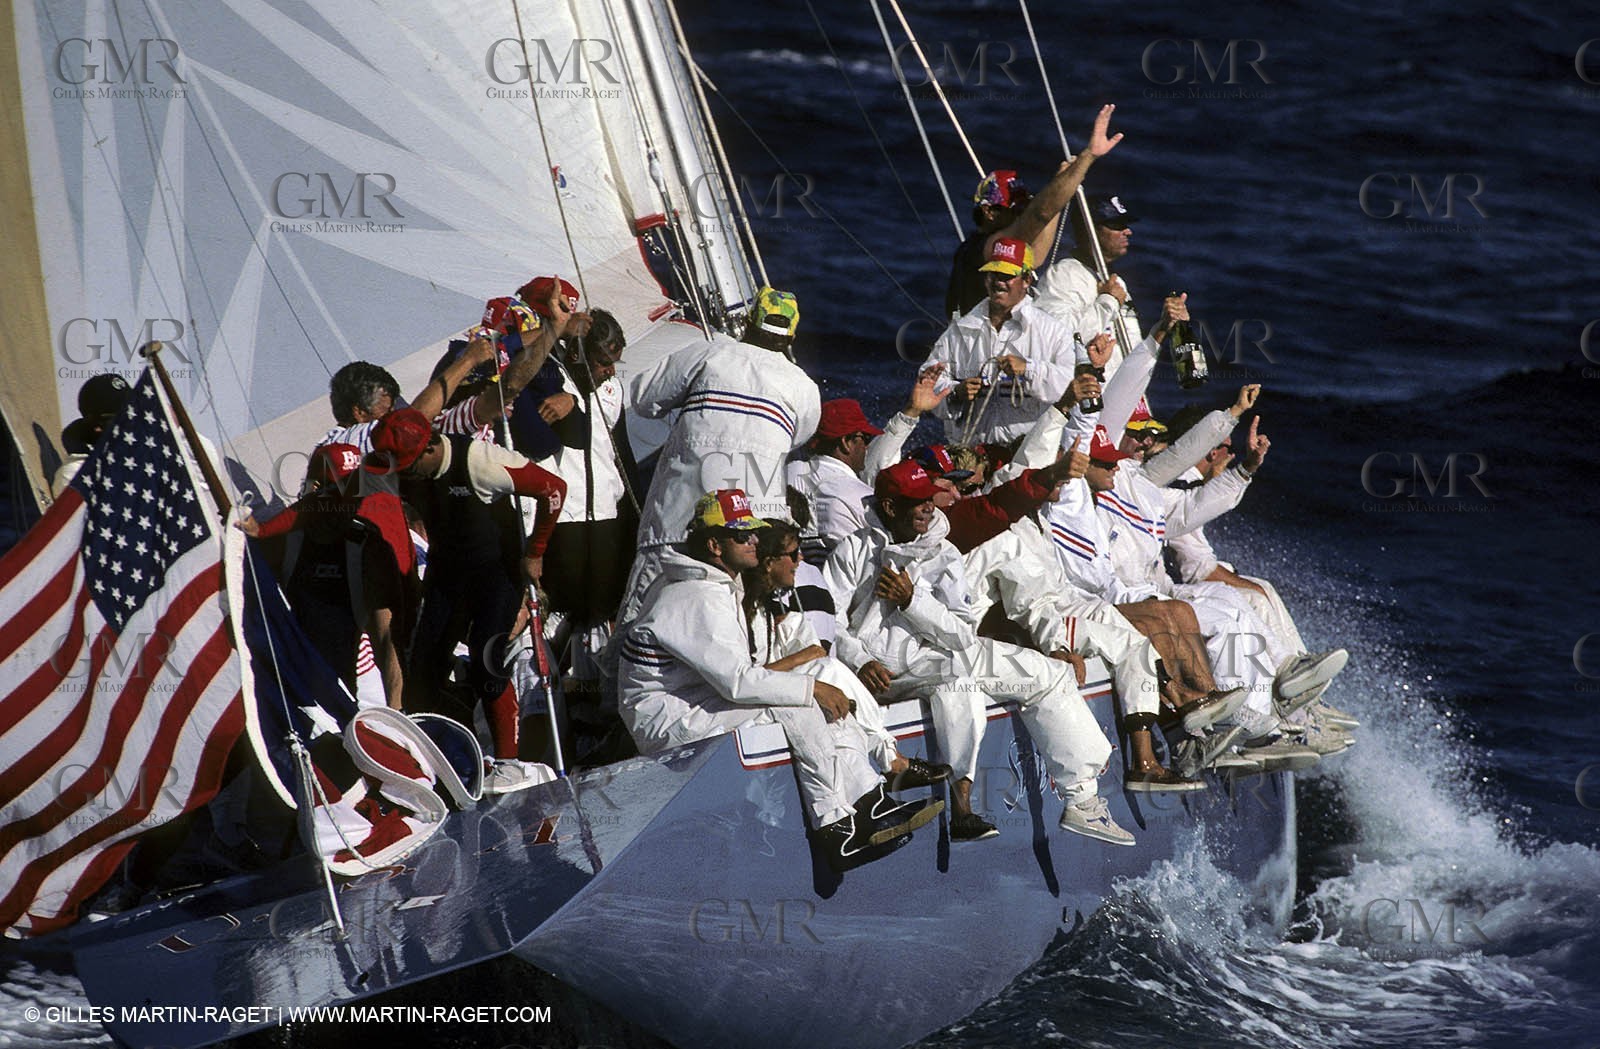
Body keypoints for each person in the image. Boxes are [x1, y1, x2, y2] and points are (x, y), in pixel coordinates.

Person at [618, 490, 941, 871]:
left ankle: (868, 804)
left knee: (816, 697)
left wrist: (816, 686)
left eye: (754, 533)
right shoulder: (695, 595)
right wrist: (812, 688)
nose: (754, 540)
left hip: (696, 700)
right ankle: (834, 830)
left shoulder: (715, 585)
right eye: (742, 535)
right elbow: (738, 681)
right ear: (714, 545)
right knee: (802, 705)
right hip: (667, 719)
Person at [825, 460, 1134, 846]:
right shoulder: (853, 550)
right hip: (872, 671)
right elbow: (827, 621)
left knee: (1046, 675)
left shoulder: (943, 553)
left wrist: (912, 601)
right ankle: (963, 808)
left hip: (931, 657)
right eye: (916, 501)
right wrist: (860, 659)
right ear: (889, 507)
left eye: (928, 500)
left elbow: (961, 634)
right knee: (960, 682)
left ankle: (1079, 802)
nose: (928, 507)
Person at [372, 408, 566, 795]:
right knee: (423, 664)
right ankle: (430, 760)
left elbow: (554, 488)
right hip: (448, 571)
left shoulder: (480, 461)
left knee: (486, 660)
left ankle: (508, 765)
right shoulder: (397, 464)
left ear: (429, 449)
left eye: (410, 466)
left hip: (496, 570)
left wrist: (536, 551)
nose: (404, 475)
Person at [620, 286, 820, 621]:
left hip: (676, 525)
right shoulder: (805, 388)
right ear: (791, 335)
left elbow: (643, 398)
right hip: (746, 540)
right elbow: (797, 437)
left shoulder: (709, 354)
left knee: (643, 621)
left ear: (748, 323)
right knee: (734, 629)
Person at [744, 521, 953, 792]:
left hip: (784, 695)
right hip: (751, 706)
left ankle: (874, 794)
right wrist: (804, 658)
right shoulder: (742, 608)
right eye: (794, 554)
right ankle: (891, 762)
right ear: (770, 562)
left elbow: (812, 649)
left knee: (842, 717)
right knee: (829, 670)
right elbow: (750, 678)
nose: (801, 559)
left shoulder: (776, 607)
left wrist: (805, 654)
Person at [944, 105, 1124, 317]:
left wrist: (1062, 185)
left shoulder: (990, 249)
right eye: (1017, 206)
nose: (1023, 212)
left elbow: (1037, 253)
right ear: (989, 212)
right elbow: (1040, 214)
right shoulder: (983, 248)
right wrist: (1088, 156)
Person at [923, 238, 1083, 448]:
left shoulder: (1053, 331)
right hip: (970, 456)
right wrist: (956, 392)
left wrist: (1028, 369)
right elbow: (927, 382)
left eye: (1007, 275)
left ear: (1026, 279)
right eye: (993, 274)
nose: (998, 281)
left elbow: (1070, 387)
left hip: (1026, 456)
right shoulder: (961, 329)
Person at [1032, 193, 1143, 375]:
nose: (1128, 231)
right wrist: (1107, 303)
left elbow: (1132, 348)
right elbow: (1052, 338)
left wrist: (1162, 328)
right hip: (1088, 395)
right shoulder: (1063, 275)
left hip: (1126, 394)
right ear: (1090, 229)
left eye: (1126, 225)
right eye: (1116, 225)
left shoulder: (1115, 281)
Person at [786, 398, 883, 563]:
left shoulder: (788, 471)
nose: (867, 447)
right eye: (865, 438)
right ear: (846, 442)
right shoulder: (864, 498)